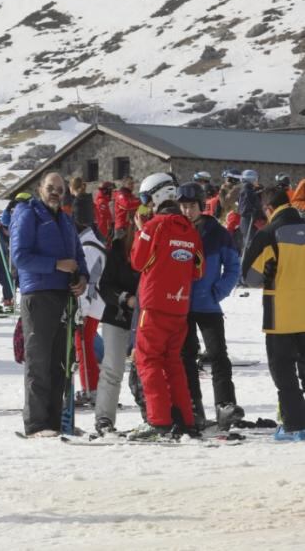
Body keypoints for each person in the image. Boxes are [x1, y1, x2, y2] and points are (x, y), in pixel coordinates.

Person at [9, 172, 88, 438]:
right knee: (39, 361)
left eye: (60, 189)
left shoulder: (65, 219)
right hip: (38, 293)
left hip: (64, 295)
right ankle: (36, 423)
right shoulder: (27, 214)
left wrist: (83, 278)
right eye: (51, 187)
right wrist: (55, 265)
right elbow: (19, 256)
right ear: (40, 189)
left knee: (60, 362)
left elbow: (78, 254)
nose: (55, 192)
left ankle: (56, 422)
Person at [130, 173, 204, 439]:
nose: (147, 205)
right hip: (179, 307)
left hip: (154, 306)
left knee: (147, 360)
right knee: (173, 362)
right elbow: (198, 270)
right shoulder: (190, 230)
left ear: (157, 195)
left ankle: (158, 420)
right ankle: (186, 420)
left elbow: (137, 262)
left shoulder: (154, 226)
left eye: (147, 199)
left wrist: (141, 231)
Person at [176, 182, 242, 430]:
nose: (187, 211)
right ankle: (193, 406)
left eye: (191, 206)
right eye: (183, 206)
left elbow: (233, 267)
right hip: (180, 305)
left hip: (208, 305)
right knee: (186, 356)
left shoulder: (218, 233)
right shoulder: (174, 231)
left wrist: (218, 292)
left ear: (201, 205)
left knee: (218, 355)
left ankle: (225, 405)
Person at [242, 187, 305, 439]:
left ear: (269, 209)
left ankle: (295, 426)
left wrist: (268, 275)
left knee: (284, 374)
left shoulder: (268, 233)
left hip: (281, 317)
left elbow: (250, 276)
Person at [92, 214, 140, 435]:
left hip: (146, 318)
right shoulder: (119, 250)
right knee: (113, 368)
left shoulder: (158, 246)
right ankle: (104, 418)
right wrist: (125, 298)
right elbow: (105, 285)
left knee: (148, 370)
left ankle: (155, 416)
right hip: (118, 316)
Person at [72, 195, 105, 407]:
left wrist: (81, 311)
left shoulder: (88, 247)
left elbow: (90, 283)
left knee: (83, 348)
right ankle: (92, 388)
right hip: (94, 304)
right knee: (85, 347)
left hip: (90, 306)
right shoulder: (91, 242)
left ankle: (91, 389)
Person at [237, 169, 264, 259]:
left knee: (251, 242)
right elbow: (244, 209)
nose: (257, 181)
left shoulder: (250, 190)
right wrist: (255, 212)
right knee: (250, 243)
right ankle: (246, 263)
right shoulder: (247, 191)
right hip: (248, 220)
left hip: (250, 220)